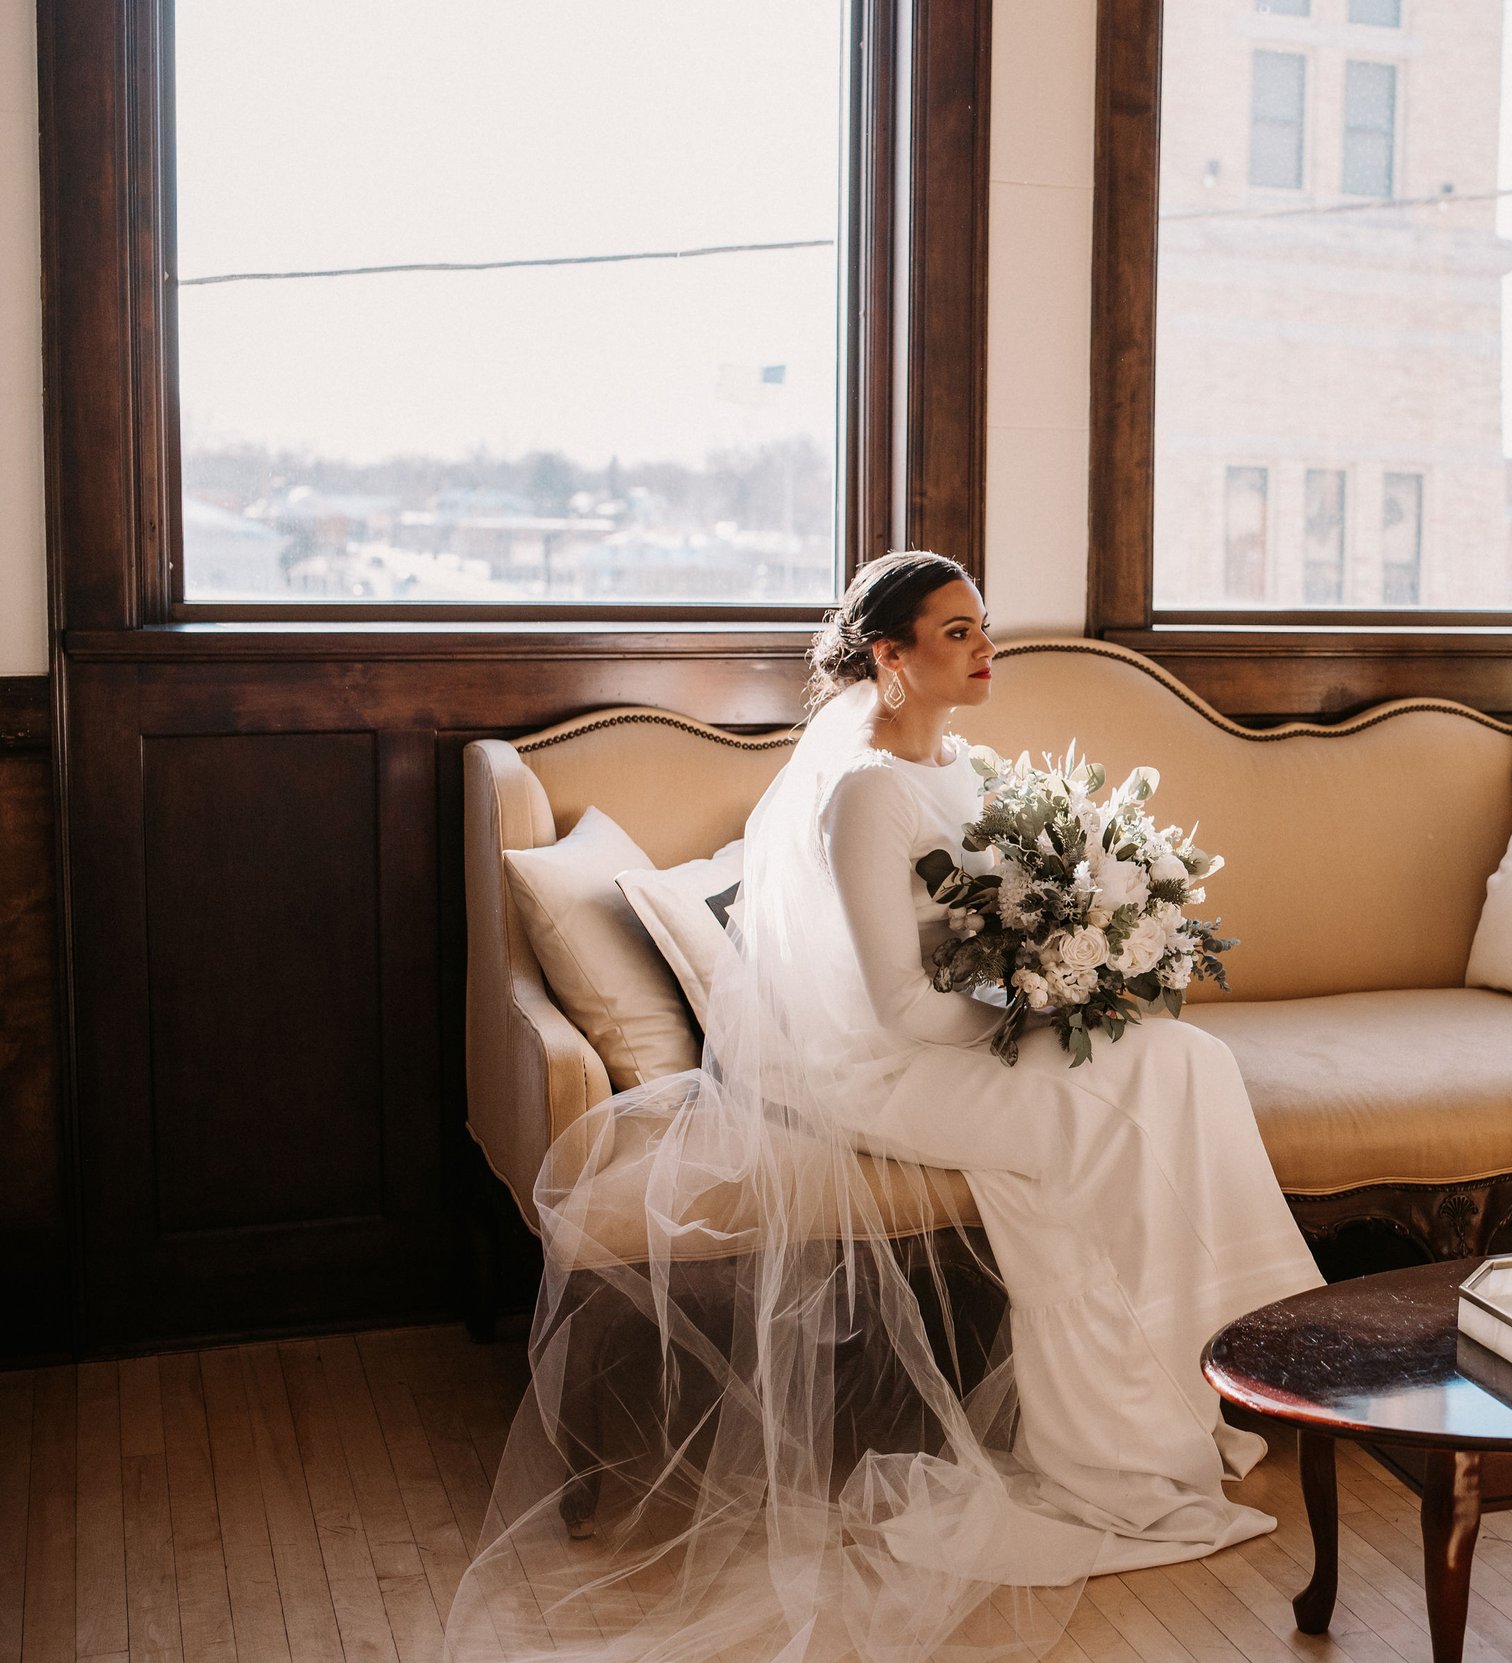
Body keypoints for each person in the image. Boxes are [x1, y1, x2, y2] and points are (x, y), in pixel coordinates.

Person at [445, 553, 1322, 1663]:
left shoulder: (975, 766)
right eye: (955, 633)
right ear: (889, 658)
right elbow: (900, 1006)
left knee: (1182, 1059)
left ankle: (1215, 1367)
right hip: (879, 1068)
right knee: (1085, 1120)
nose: (984, 645)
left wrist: (1083, 976)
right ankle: (1112, 1440)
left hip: (976, 1030)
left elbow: (1010, 936)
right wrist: (1043, 1000)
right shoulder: (864, 793)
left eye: (983, 625)